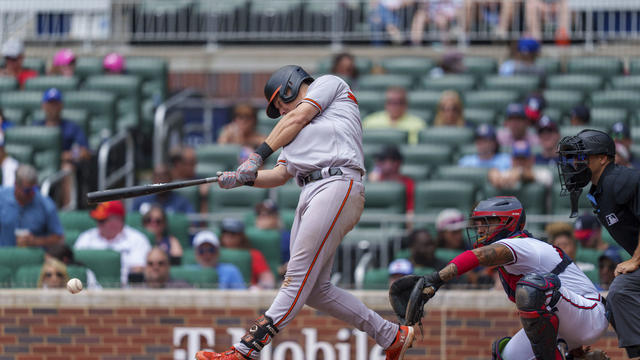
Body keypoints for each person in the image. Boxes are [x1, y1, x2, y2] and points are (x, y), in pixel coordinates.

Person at [197, 65, 414, 360]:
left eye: (280, 104)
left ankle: (244, 351)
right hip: (309, 191)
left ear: (289, 86)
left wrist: (255, 155)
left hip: (337, 181)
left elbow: (298, 115)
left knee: (296, 277)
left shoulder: (327, 85)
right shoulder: (292, 128)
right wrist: (242, 179)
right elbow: (280, 174)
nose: (282, 111)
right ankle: (391, 336)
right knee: (315, 290)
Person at [394, 196, 608, 359]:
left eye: (487, 222)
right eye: (478, 223)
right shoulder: (513, 255)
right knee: (506, 354)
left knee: (532, 289)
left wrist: (435, 279)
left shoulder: (520, 243)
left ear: (508, 222)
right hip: (566, 321)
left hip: (590, 313)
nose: (480, 229)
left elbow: (479, 256)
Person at [557, 129, 640, 357]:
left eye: (582, 157)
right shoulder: (601, 188)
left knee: (621, 291)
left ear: (603, 158)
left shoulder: (619, 179)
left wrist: (636, 259)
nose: (575, 164)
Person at [34, 88, 91, 209]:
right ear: (44, 106)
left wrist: (64, 156)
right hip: (39, 166)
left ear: (61, 106)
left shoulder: (71, 127)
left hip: (61, 167)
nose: (52, 107)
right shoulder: (36, 127)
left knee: (67, 168)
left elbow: (85, 152)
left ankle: (67, 209)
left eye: (56, 104)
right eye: (50, 103)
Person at [73, 200, 151, 286]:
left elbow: (138, 271)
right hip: (90, 290)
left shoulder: (137, 239)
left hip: (125, 290)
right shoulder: (86, 237)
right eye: (97, 220)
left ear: (118, 220)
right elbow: (76, 268)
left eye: (102, 220)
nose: (98, 224)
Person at [0, 164, 63, 247]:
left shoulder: (46, 204)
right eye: (27, 191)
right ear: (16, 185)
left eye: (34, 189)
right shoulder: (2, 196)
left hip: (34, 258)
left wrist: (35, 241)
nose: (32, 193)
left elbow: (59, 239)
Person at [219, 218, 275, 290]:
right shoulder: (213, 254)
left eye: (233, 234)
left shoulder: (254, 254)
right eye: (225, 233)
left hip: (247, 295)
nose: (228, 237)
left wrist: (259, 288)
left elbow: (267, 279)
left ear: (241, 236)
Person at [488, 140, 552, 190]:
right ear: (512, 160)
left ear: (531, 160)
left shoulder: (542, 173)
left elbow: (547, 178)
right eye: (517, 158)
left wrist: (520, 173)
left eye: (523, 158)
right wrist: (493, 173)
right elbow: (495, 176)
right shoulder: (507, 174)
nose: (520, 162)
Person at [368, 145, 415, 213]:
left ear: (396, 162)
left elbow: (410, 212)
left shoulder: (409, 184)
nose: (378, 163)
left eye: (382, 159)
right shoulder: (373, 182)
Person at [254, 199, 291, 276]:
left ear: (276, 217)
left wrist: (281, 270)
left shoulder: (287, 237)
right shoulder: (249, 236)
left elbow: (293, 261)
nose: (261, 217)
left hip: (282, 279)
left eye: (266, 214)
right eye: (259, 214)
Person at [169, 146, 209, 214]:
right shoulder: (165, 179)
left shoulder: (200, 182)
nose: (195, 166)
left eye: (195, 162)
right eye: (191, 163)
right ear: (178, 164)